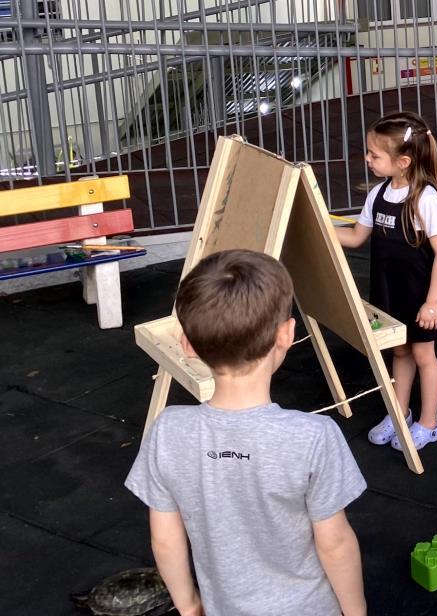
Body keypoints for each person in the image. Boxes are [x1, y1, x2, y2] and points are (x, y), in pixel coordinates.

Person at [125, 249, 367, 616]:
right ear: (287, 334)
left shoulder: (167, 431)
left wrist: (189, 606)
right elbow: (334, 544)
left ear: (187, 344)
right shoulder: (314, 436)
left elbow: (164, 538)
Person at [334, 111, 437, 452]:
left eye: (374, 154)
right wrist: (318, 226)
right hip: (389, 293)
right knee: (399, 351)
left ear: (403, 161)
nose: (367, 159)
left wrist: (432, 303)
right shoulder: (378, 194)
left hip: (420, 298)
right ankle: (398, 413)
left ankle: (430, 423)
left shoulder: (427, 200)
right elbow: (357, 237)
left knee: (423, 354)